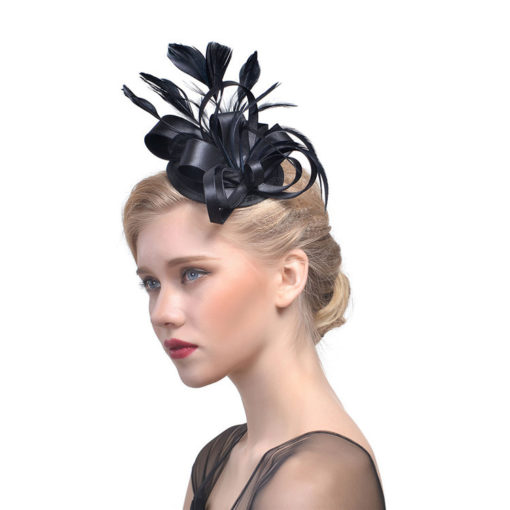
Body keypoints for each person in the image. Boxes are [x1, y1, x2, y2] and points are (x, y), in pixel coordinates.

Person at [122, 41, 386, 510]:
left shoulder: (315, 480)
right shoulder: (221, 459)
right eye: (152, 283)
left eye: (193, 273)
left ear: (288, 276)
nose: (162, 313)